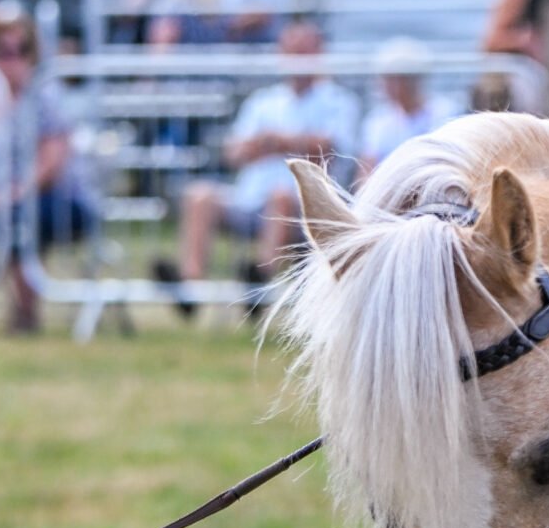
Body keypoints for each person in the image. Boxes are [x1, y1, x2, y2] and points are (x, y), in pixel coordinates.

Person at [156, 20, 358, 313]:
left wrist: (273, 143)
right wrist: (284, 144)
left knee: (281, 197)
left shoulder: (338, 101)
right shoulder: (263, 101)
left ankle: (259, 282)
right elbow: (234, 152)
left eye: (302, 52)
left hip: (304, 208)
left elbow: (330, 148)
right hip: (249, 200)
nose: (295, 60)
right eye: (290, 51)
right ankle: (190, 286)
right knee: (200, 196)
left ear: (318, 53)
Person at [0, 9, 99, 333]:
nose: (12, 60)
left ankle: (25, 313)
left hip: (51, 198)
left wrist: (13, 194)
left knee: (19, 217)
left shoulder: (45, 97)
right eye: (2, 51)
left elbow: (52, 161)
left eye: (21, 50)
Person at [359, 37, 462, 169]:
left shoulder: (446, 113)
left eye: (391, 79)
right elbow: (367, 169)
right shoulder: (377, 120)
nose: (385, 85)